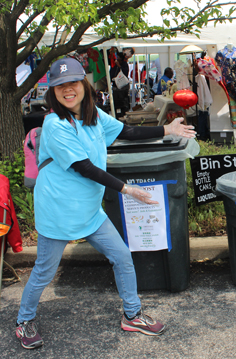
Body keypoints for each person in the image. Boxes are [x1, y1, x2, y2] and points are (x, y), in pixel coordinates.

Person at [15, 58, 196, 350]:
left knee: (122, 256)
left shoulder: (93, 115)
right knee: (45, 272)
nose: (68, 90)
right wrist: (128, 190)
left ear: (83, 85)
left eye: (73, 83)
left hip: (89, 210)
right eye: (60, 86)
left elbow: (126, 132)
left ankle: (132, 315)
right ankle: (24, 321)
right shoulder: (55, 125)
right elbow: (84, 168)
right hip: (58, 211)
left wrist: (168, 130)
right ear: (53, 91)